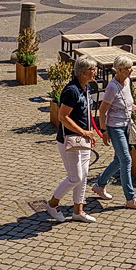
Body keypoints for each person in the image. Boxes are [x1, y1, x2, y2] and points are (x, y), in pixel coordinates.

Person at [90, 54, 136, 211]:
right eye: (128, 68)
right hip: (115, 127)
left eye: (131, 67)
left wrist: (133, 107)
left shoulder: (127, 81)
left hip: (127, 125)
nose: (131, 70)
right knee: (126, 160)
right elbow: (102, 111)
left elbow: (125, 101)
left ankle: (99, 185)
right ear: (119, 70)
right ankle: (130, 198)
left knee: (118, 160)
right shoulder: (111, 87)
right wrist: (104, 131)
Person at [45, 58, 101, 222]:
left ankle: (78, 211)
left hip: (83, 139)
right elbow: (62, 117)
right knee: (75, 177)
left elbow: (86, 113)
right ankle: (53, 203)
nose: (96, 71)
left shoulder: (86, 87)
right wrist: (83, 131)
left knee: (83, 176)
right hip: (69, 140)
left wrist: (90, 132)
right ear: (83, 72)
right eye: (93, 69)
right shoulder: (72, 91)